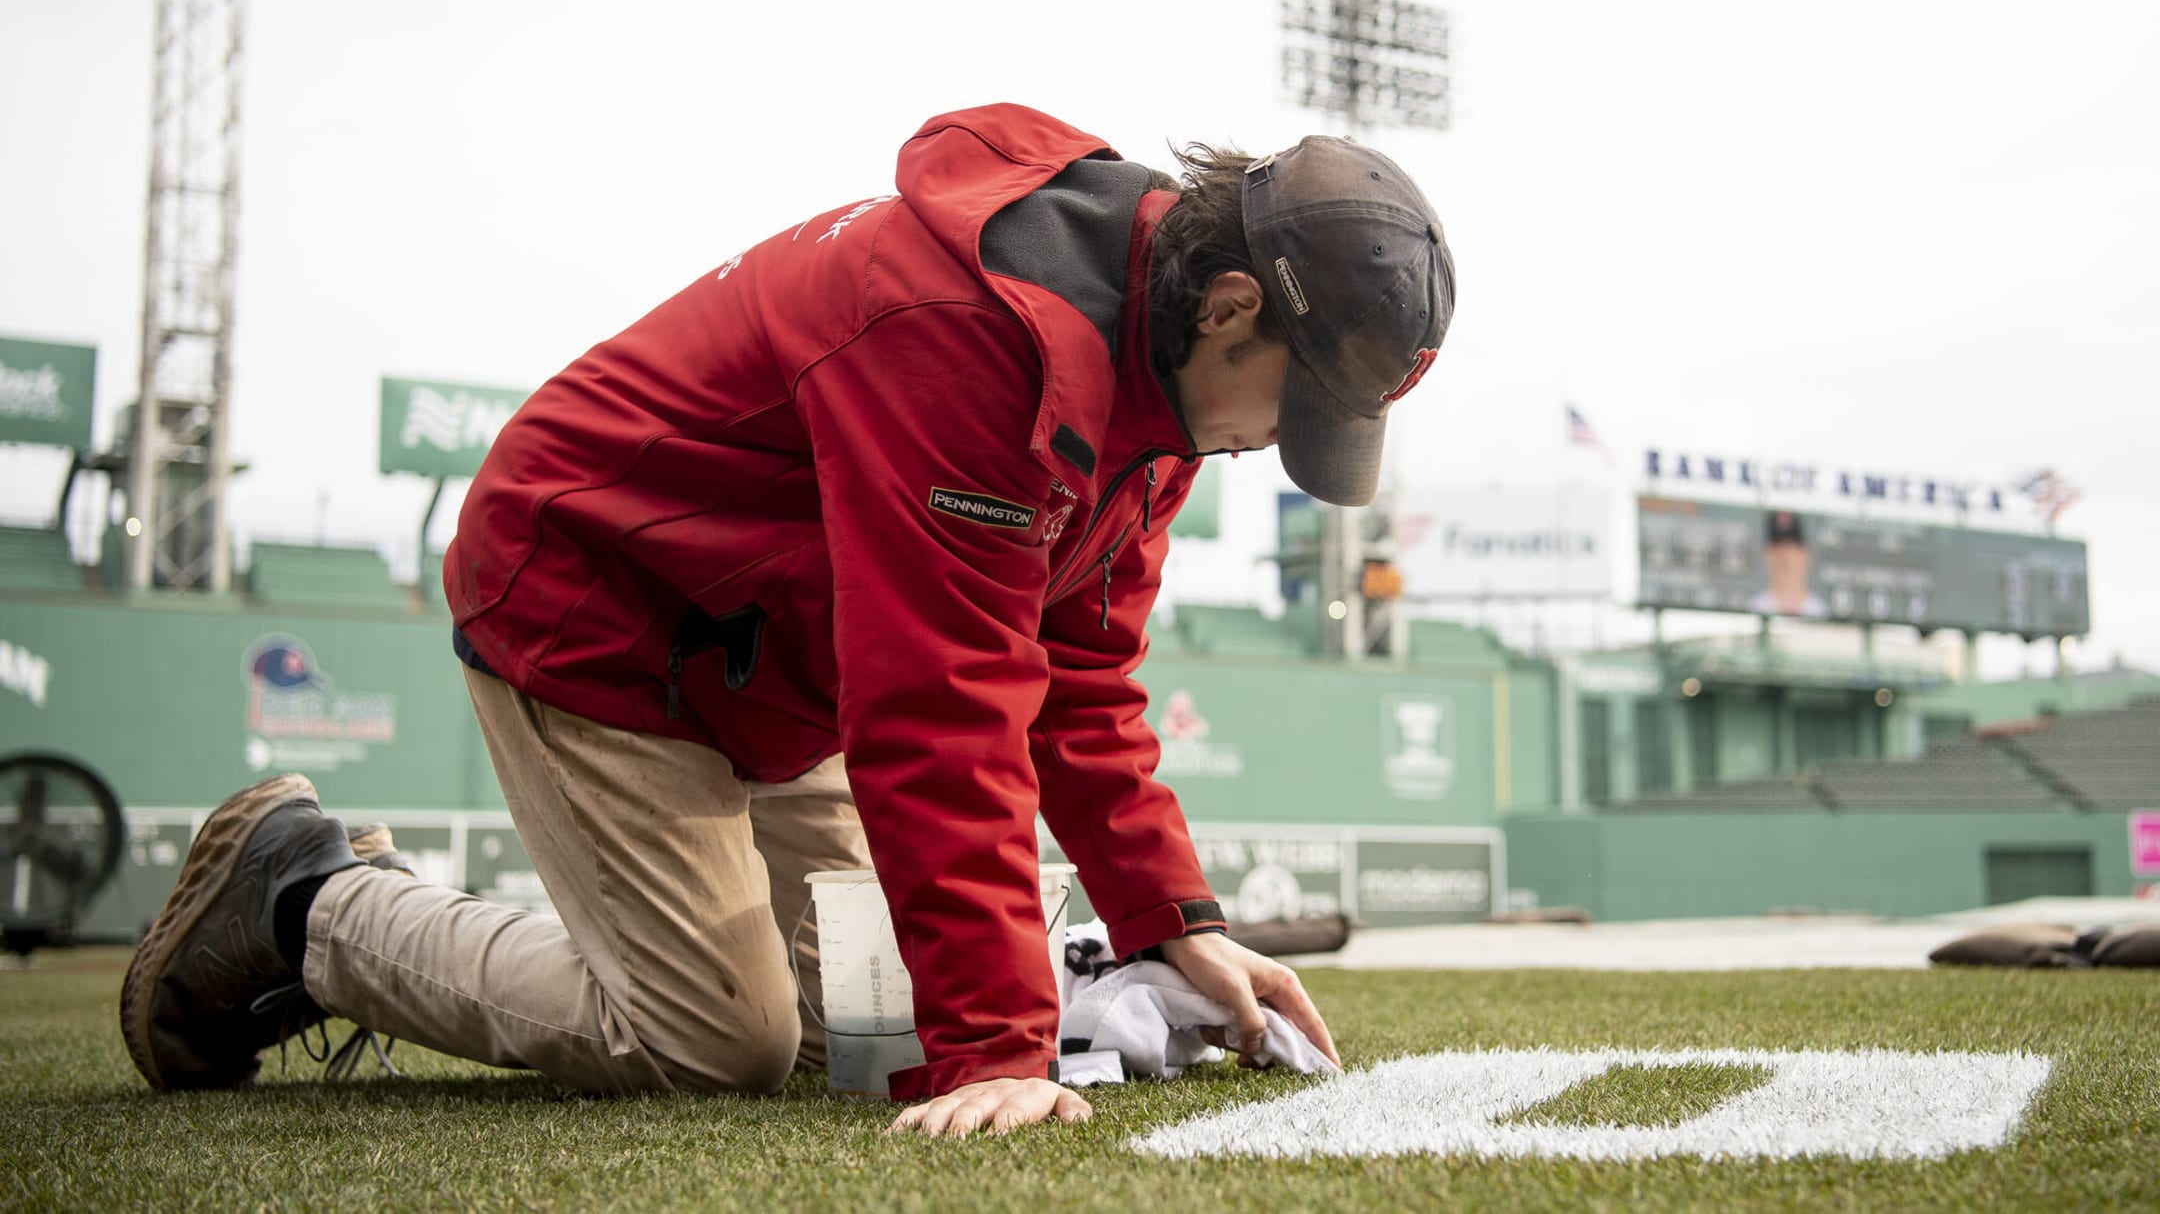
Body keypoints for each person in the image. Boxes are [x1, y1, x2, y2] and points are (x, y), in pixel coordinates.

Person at [121, 104, 1455, 1137]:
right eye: (1288, 410)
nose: (1266, 446)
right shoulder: (975, 335)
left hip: (769, 655)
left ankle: (338, 906)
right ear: (1231, 307)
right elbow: (943, 696)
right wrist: (995, 1049)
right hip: (599, 605)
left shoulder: (1159, 393)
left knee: (854, 1020)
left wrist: (1176, 919)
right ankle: (307, 898)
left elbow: (1082, 674)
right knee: (719, 1041)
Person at [1747, 509, 1828, 618]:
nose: (1785, 555)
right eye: (1778, 546)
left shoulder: (1822, 613)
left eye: (1792, 547)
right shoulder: (1754, 609)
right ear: (1767, 555)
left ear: (1805, 554)